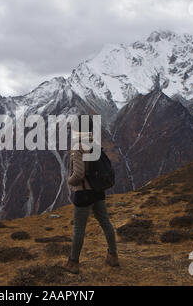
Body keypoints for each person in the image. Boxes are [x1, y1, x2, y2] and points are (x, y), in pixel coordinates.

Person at [62, 115, 119, 274]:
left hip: (84, 193)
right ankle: (113, 256)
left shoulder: (79, 147)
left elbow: (79, 174)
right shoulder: (94, 144)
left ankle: (73, 263)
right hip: (97, 191)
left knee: (79, 228)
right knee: (105, 223)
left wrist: (70, 181)